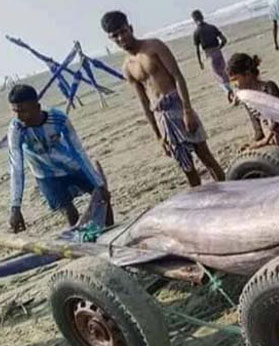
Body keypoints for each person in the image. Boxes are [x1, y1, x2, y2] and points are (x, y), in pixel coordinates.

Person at [101, 11, 225, 188]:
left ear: (130, 28)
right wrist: (158, 135)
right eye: (115, 36)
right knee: (187, 168)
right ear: (110, 38)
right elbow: (144, 102)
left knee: (206, 157)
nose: (121, 38)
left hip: (177, 105)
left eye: (123, 31)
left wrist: (187, 110)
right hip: (161, 116)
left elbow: (177, 77)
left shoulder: (153, 46)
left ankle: (231, 193)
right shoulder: (127, 67)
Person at [6, 85, 110, 232]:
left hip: (71, 166)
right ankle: (79, 240)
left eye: (24, 111)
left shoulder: (58, 118)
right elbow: (16, 167)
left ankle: (112, 229)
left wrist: (98, 183)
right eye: (15, 112)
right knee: (69, 211)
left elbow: (78, 152)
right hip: (46, 175)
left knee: (103, 197)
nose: (19, 117)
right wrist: (15, 207)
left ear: (37, 107)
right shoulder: (16, 129)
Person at [191, 10, 235, 103]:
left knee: (217, 75)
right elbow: (224, 40)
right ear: (202, 16)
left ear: (194, 20)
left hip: (209, 53)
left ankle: (228, 91)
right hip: (218, 51)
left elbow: (197, 49)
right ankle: (231, 90)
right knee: (224, 72)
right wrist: (219, 47)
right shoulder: (211, 27)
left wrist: (200, 62)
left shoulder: (196, 32)